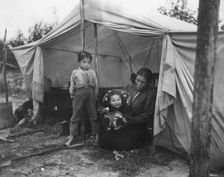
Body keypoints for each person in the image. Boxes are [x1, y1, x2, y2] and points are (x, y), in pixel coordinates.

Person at [98, 68, 156, 150]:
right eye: (137, 80)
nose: (139, 84)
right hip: (123, 119)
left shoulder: (151, 94)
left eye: (143, 82)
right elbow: (116, 98)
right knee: (105, 133)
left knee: (123, 141)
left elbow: (147, 115)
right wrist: (106, 108)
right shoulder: (130, 87)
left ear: (148, 83)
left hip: (137, 124)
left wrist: (130, 120)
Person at [65, 51, 98, 146]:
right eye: (84, 62)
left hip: (91, 93)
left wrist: (96, 95)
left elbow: (96, 84)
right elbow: (72, 85)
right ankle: (72, 135)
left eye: (88, 62)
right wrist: (71, 94)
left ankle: (94, 134)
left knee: (93, 114)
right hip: (79, 93)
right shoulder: (75, 72)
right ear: (79, 62)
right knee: (76, 115)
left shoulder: (92, 72)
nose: (86, 64)